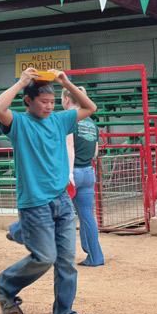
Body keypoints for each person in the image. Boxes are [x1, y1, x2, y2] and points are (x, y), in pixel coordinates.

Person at [0, 68, 106, 314]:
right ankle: (6, 286)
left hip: (61, 199)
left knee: (66, 260)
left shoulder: (60, 120)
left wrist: (66, 82)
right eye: (43, 102)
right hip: (35, 203)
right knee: (45, 257)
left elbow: (90, 107)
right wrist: (21, 82)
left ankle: (64, 312)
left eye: (52, 102)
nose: (49, 106)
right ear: (28, 101)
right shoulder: (19, 123)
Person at [63, 85, 105, 267]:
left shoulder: (69, 119)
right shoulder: (92, 123)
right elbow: (95, 152)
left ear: (67, 99)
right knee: (87, 216)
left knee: (57, 212)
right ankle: (95, 257)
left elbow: (69, 146)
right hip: (88, 171)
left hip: (73, 172)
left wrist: (69, 172)